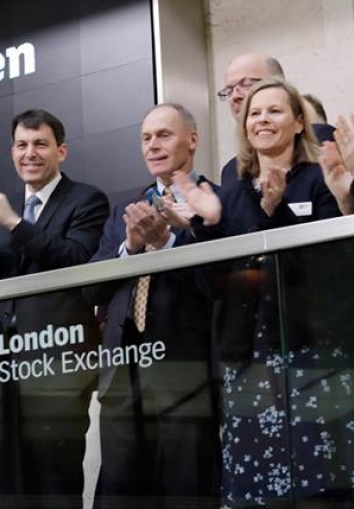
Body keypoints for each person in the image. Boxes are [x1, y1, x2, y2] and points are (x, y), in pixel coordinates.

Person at [177, 78, 346, 506]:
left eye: (274, 111)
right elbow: (210, 288)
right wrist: (207, 227)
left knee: (319, 484)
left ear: (297, 122)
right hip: (247, 362)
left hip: (312, 356)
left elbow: (328, 270)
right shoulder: (229, 195)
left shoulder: (320, 180)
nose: (262, 120)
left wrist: (277, 214)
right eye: (255, 112)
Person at [0, 109, 109, 507]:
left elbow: (75, 260)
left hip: (56, 368)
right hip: (6, 370)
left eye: (40, 144)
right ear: (12, 152)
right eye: (22, 145)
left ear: (61, 151)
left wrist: (13, 222)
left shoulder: (86, 199)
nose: (30, 153)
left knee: (55, 482)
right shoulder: (2, 212)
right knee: (12, 486)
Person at [88, 103, 219, 507]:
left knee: (186, 492)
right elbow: (91, 290)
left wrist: (168, 244)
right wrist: (131, 245)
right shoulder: (125, 211)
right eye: (146, 138)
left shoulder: (215, 203)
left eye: (164, 134)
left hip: (185, 374)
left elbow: (218, 285)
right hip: (124, 379)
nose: (152, 145)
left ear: (192, 140)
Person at [218, 53, 285, 189]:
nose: (235, 96)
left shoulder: (318, 161)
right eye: (229, 90)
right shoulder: (231, 173)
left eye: (246, 84)